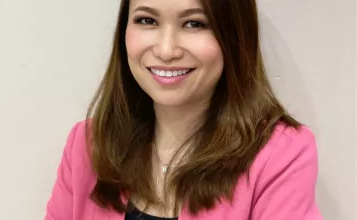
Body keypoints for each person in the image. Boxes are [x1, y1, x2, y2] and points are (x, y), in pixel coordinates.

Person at [45, 0, 323, 219]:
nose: (166, 50)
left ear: (234, 34)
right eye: (147, 20)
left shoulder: (280, 156)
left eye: (194, 23)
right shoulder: (87, 144)